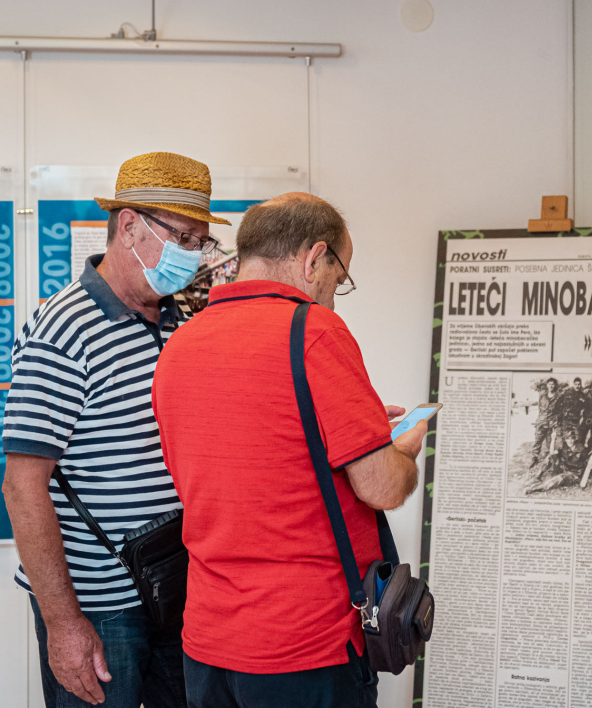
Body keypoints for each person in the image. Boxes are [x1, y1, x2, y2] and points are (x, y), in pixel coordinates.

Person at [152, 192, 426, 707]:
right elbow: (383, 487)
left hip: (207, 643)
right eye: (337, 279)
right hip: (306, 645)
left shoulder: (179, 345)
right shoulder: (315, 331)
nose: (333, 298)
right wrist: (403, 451)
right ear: (313, 257)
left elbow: (235, 460)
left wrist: (354, 432)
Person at [1, 152, 227, 707]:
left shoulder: (178, 321)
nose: (192, 254)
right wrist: (64, 624)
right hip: (98, 608)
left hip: (173, 586)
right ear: (128, 226)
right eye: (183, 238)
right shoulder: (62, 329)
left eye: (200, 242)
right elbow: (23, 486)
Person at [530, 378, 561, 469]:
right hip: (541, 422)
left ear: (555, 385)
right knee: (537, 441)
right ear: (547, 385)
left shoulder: (558, 396)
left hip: (552, 423)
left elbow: (559, 410)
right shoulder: (542, 394)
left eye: (553, 384)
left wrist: (555, 421)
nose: (551, 386)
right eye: (549, 384)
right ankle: (534, 459)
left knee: (550, 443)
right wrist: (539, 419)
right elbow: (540, 407)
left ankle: (550, 461)